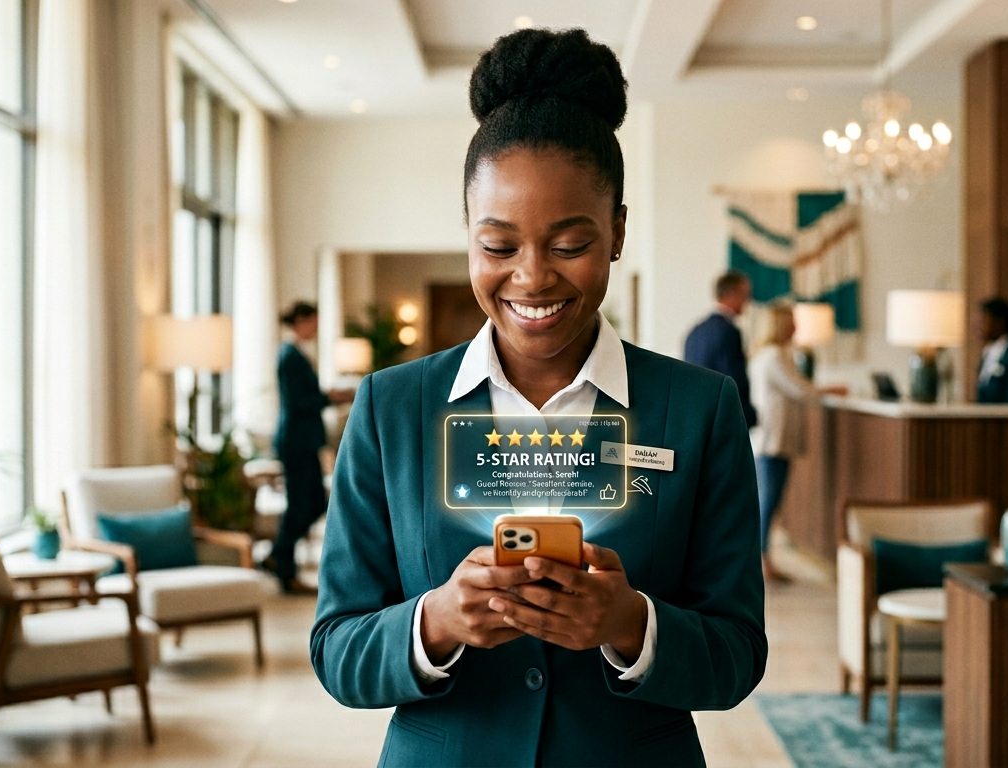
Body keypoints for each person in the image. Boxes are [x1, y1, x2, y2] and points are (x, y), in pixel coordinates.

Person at [311, 29, 766, 767]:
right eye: (498, 247)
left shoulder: (699, 407)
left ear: (617, 232)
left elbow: (738, 653)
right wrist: (435, 623)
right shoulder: (393, 409)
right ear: (468, 238)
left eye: (568, 244)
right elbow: (337, 649)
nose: (531, 278)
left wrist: (631, 624)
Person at [749, 303, 846, 583]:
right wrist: (830, 389)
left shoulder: (769, 354)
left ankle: (762, 556)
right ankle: (762, 559)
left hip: (772, 439)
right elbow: (798, 389)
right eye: (791, 322)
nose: (796, 327)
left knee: (768, 500)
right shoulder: (773, 355)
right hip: (773, 440)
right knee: (768, 501)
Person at [271, 302, 352, 593]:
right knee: (302, 505)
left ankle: (278, 555)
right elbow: (297, 403)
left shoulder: (295, 353)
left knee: (313, 502)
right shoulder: (290, 356)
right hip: (296, 441)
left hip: (302, 440)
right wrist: (330, 397)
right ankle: (281, 561)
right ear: (302, 321)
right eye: (314, 321)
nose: (316, 327)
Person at [683, 272, 758, 429]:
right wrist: (747, 416)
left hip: (697, 417)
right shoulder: (728, 331)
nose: (748, 300)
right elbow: (733, 379)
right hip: (724, 418)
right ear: (732, 294)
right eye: (745, 294)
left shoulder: (695, 331)